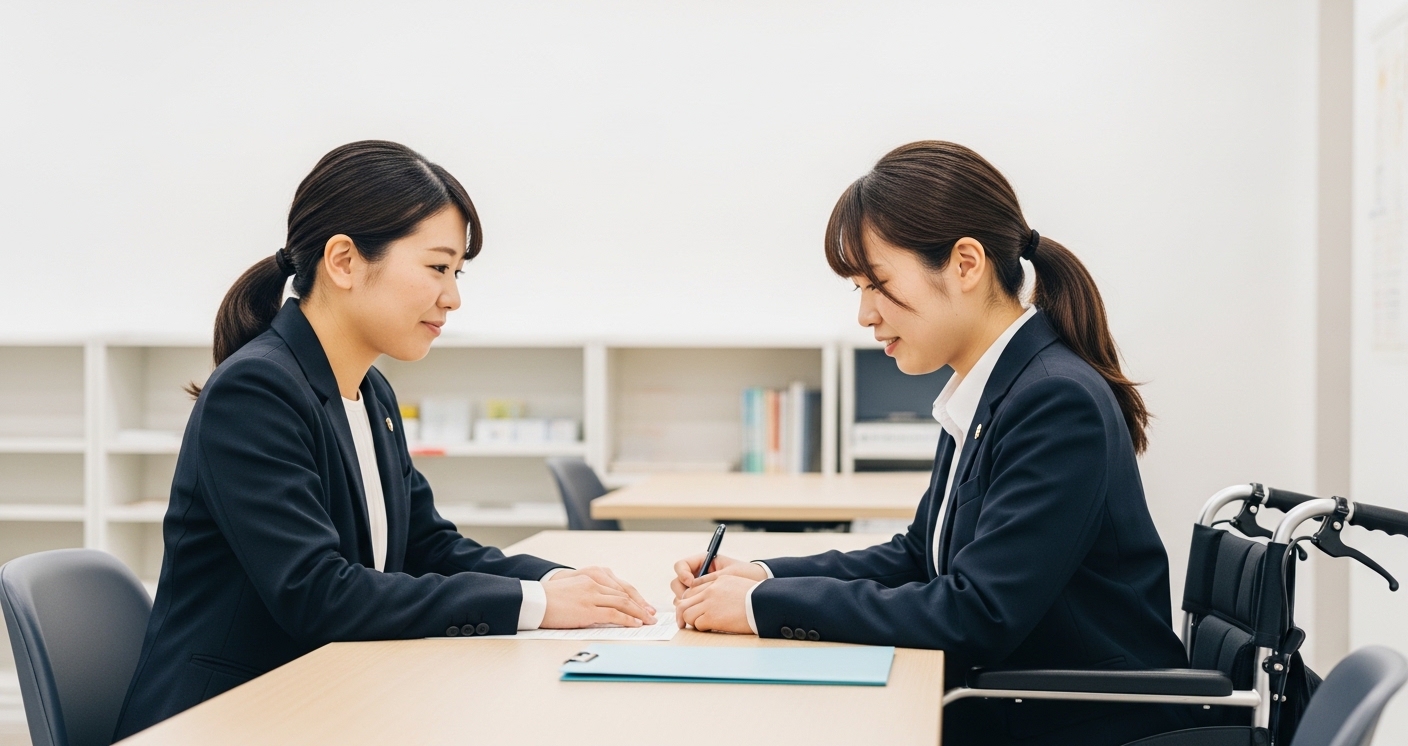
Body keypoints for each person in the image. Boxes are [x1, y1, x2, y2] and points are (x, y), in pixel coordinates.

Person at [114, 140, 654, 739]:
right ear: (343, 260)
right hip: (226, 717)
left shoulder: (370, 393)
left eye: (456, 273)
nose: (452, 297)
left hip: (326, 697)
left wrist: (555, 583)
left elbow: (428, 546)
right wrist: (535, 606)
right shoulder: (256, 391)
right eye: (436, 267)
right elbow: (317, 594)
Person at [670, 141, 1194, 745]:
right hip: (1014, 705)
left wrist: (763, 610)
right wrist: (762, 577)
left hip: (1083, 723)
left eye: (877, 283)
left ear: (965, 264)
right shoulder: (991, 388)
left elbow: (978, 613)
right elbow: (920, 557)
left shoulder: (1054, 400)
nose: (866, 315)